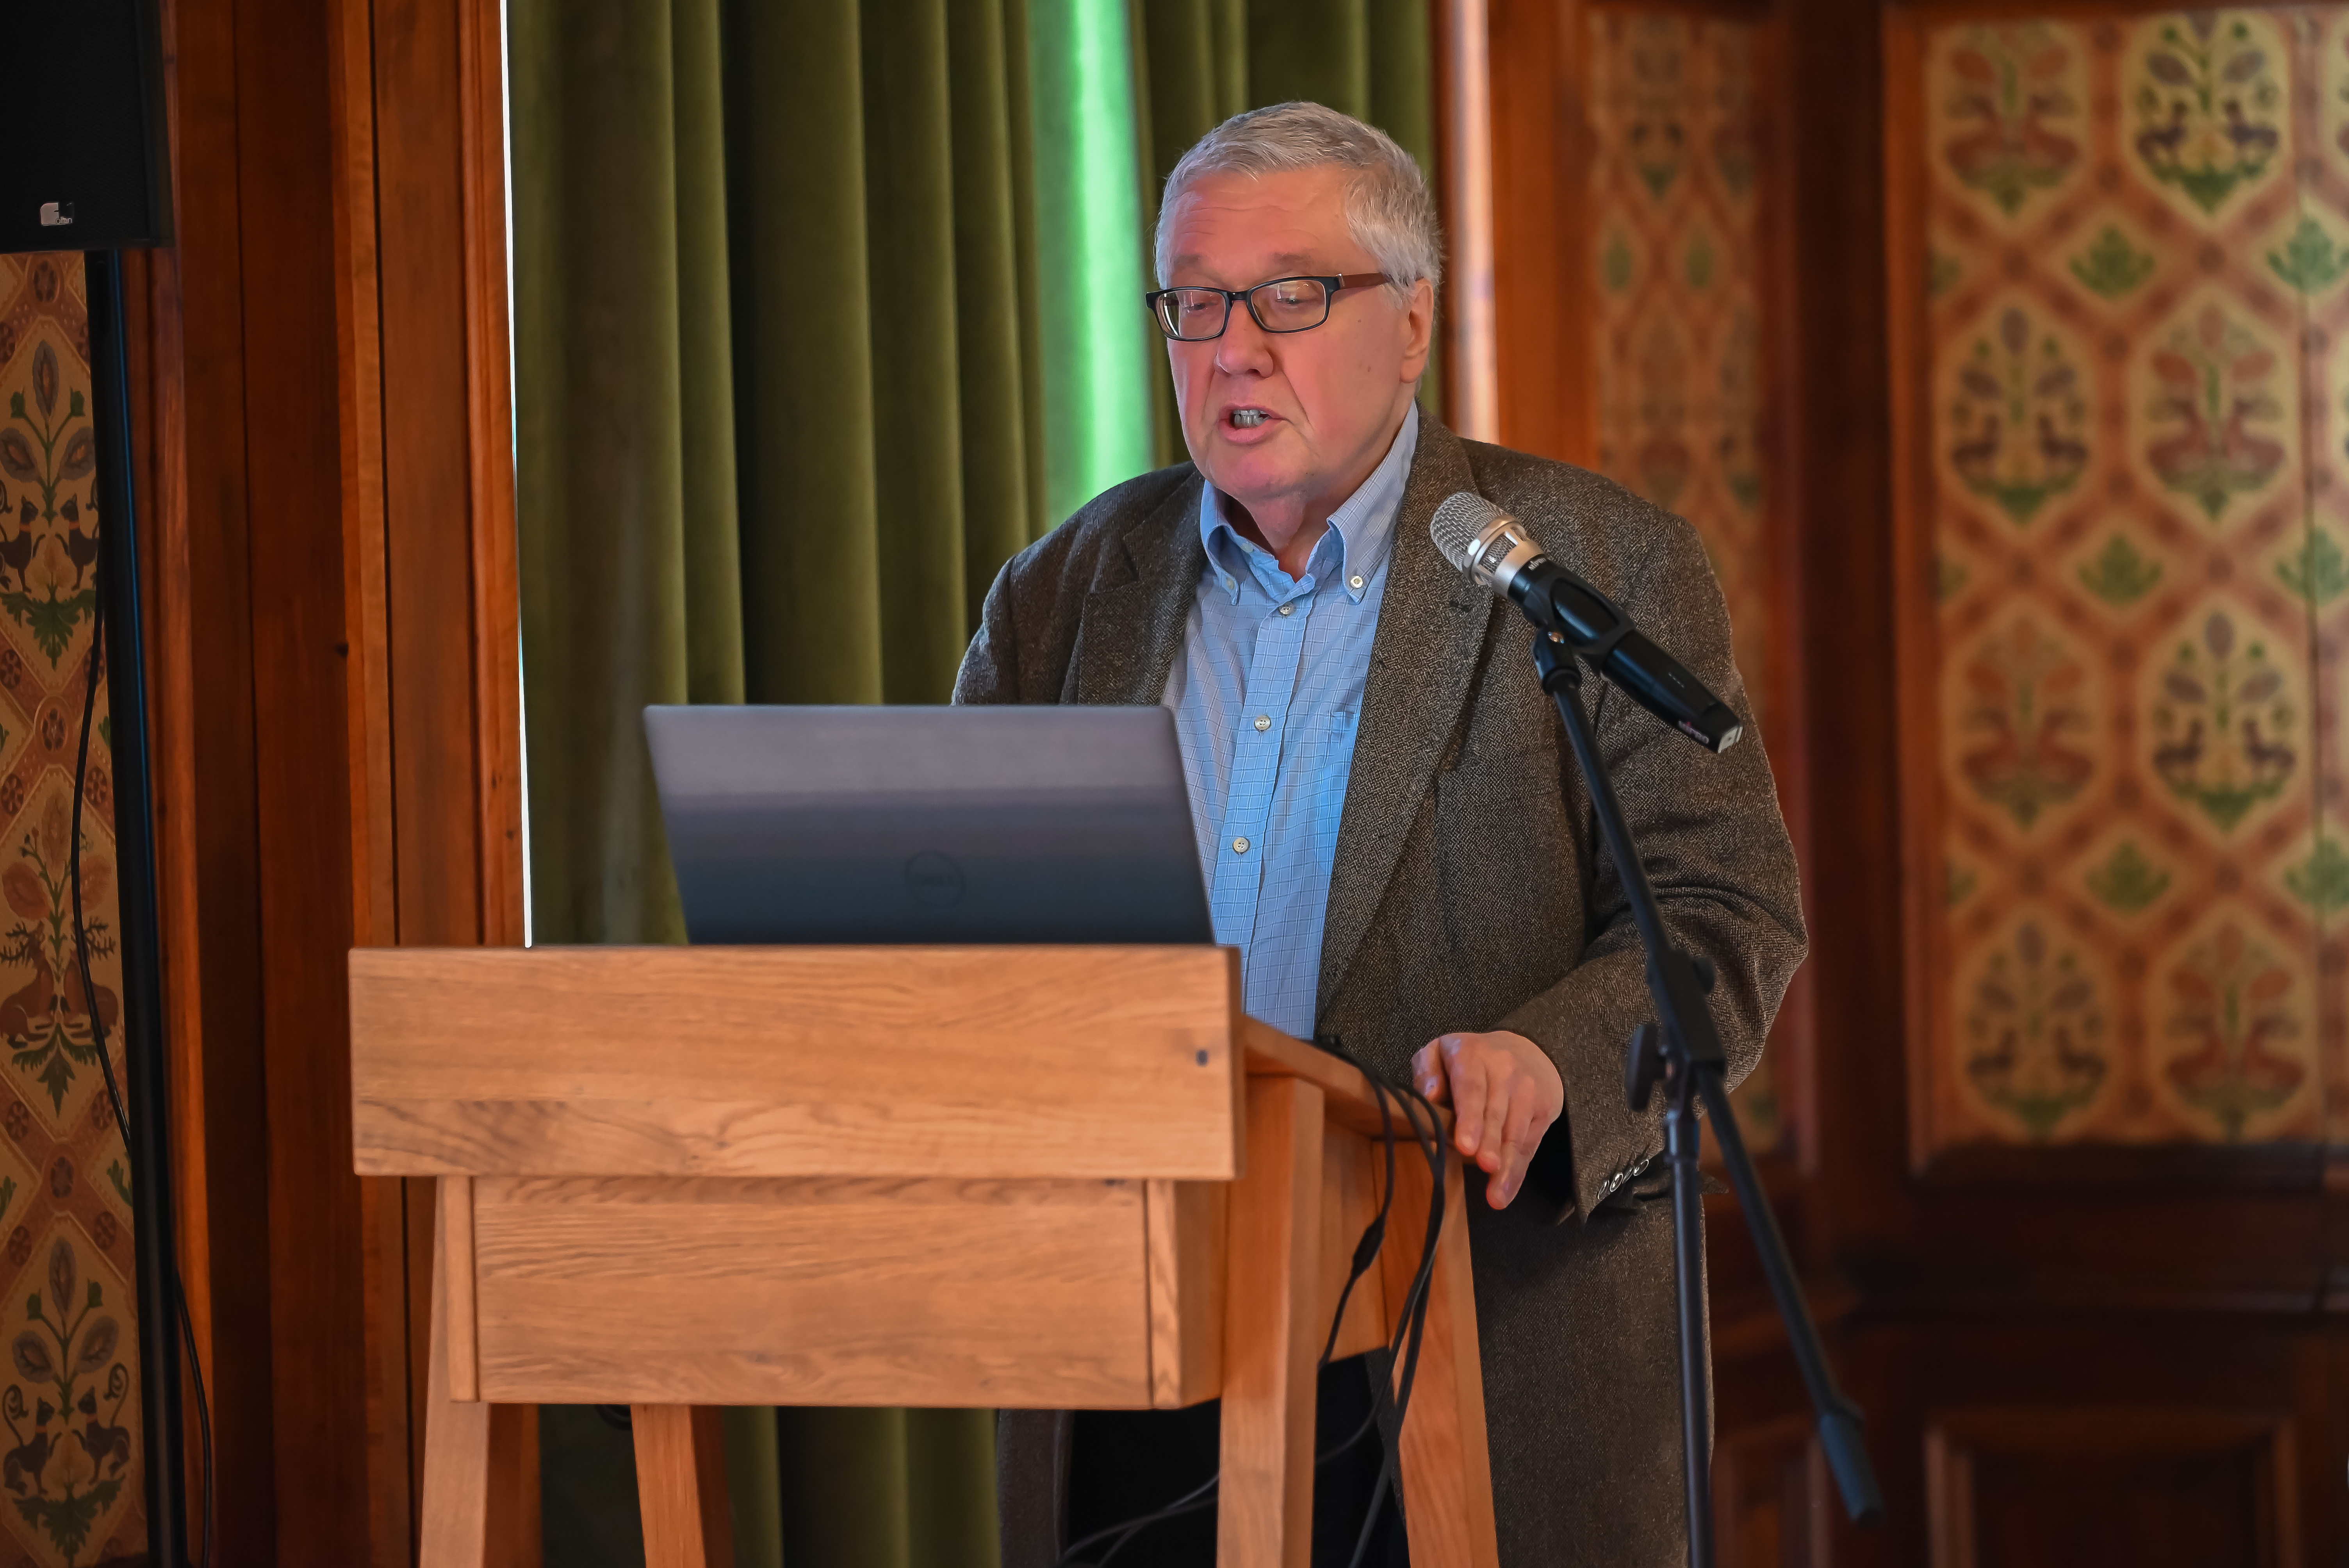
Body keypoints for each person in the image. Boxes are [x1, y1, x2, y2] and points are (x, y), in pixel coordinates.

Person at [955, 100, 1805, 1568]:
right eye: (1195, 302)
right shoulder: (1067, 589)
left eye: (1290, 295)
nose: (1234, 348)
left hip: (1479, 1328)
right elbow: (960, 914)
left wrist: (1548, 1059)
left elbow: (1724, 912)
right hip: (1135, 1338)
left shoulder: (1592, 563)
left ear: (1411, 324)